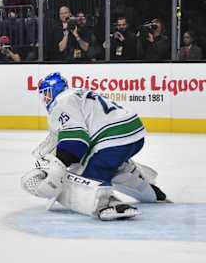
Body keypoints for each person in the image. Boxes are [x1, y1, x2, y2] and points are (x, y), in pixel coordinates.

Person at [21, 72, 169, 221]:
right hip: (133, 133)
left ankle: (106, 203)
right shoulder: (77, 94)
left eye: (46, 94)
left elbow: (77, 141)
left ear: (54, 90)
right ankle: (152, 192)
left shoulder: (61, 101)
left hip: (113, 140)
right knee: (108, 165)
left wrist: (57, 167)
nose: (45, 98)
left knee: (84, 177)